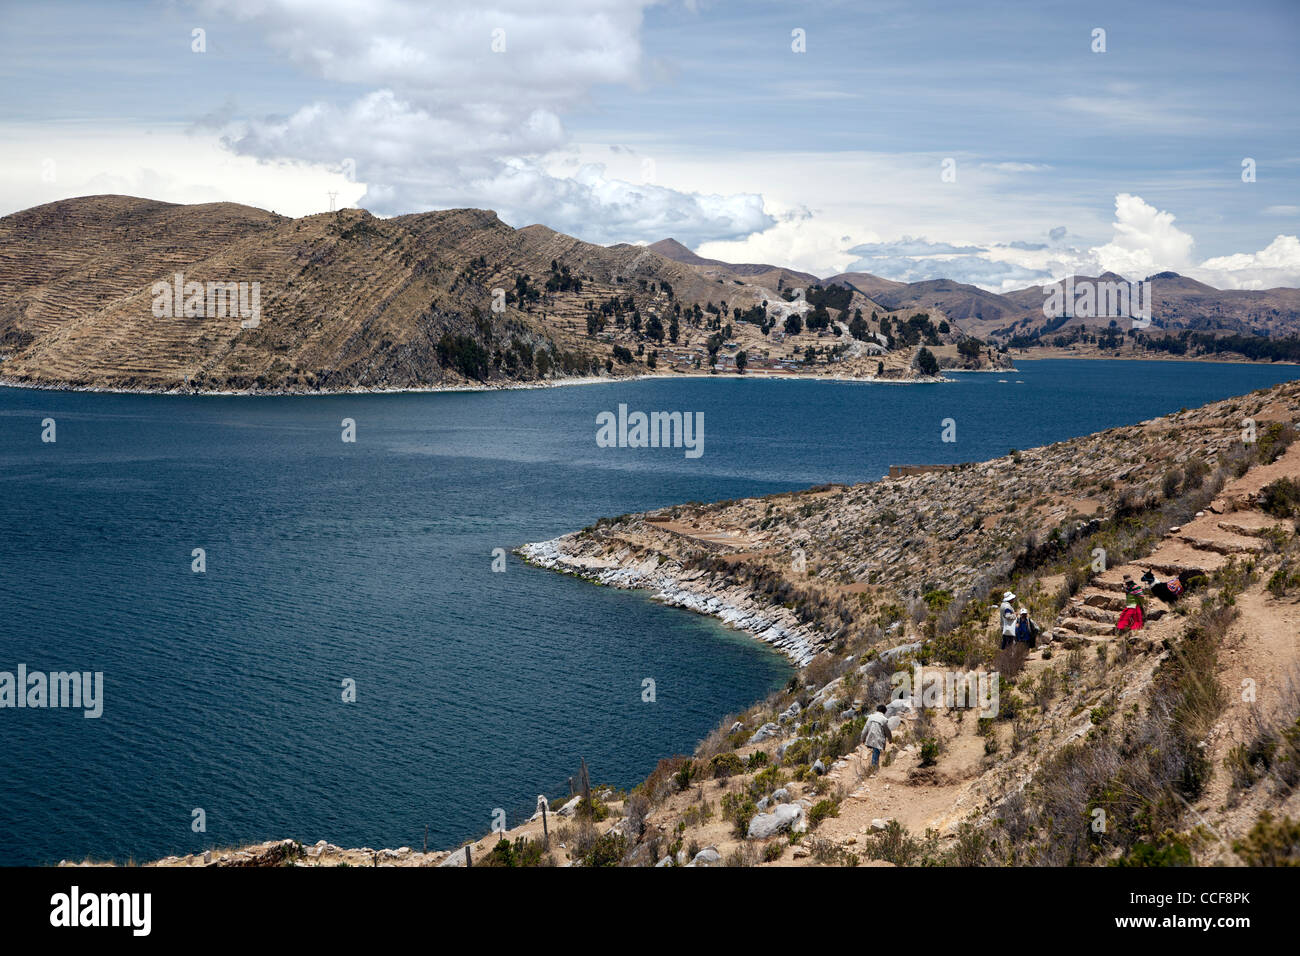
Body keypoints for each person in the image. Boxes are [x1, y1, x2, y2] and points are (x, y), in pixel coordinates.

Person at [863, 704, 893, 769]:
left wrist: (862, 738)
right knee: (876, 751)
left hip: (870, 738)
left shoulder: (870, 717)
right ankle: (874, 768)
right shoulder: (884, 719)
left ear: (877, 710)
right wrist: (890, 740)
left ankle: (873, 766)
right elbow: (887, 731)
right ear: (884, 712)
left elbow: (865, 729)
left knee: (875, 751)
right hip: (879, 739)